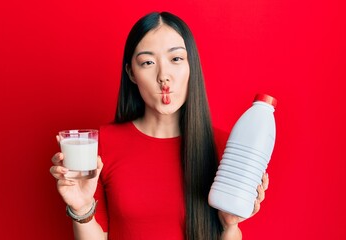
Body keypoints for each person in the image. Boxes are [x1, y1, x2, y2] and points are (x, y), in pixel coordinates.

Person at [50, 11, 269, 240]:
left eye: (176, 59)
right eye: (148, 62)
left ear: (191, 65)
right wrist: (82, 209)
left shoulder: (226, 149)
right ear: (131, 73)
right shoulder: (102, 145)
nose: (164, 76)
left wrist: (230, 225)